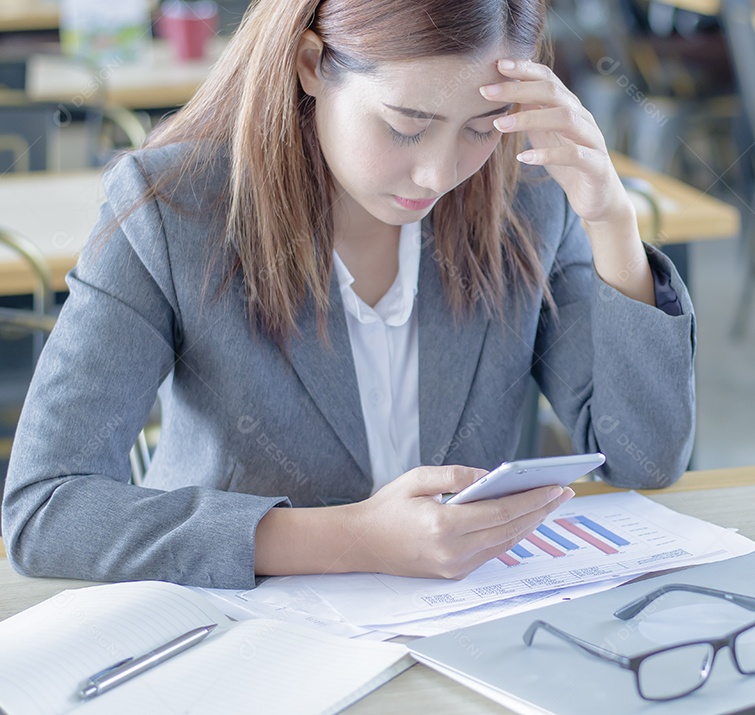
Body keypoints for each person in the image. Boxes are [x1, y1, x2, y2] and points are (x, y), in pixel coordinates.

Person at [1, 0, 695, 589]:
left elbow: (646, 456)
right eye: (405, 125)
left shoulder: (527, 200)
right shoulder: (170, 210)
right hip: (250, 649)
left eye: (481, 129)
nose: (438, 172)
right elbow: (46, 507)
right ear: (311, 65)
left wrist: (611, 220)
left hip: (461, 638)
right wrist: (354, 538)